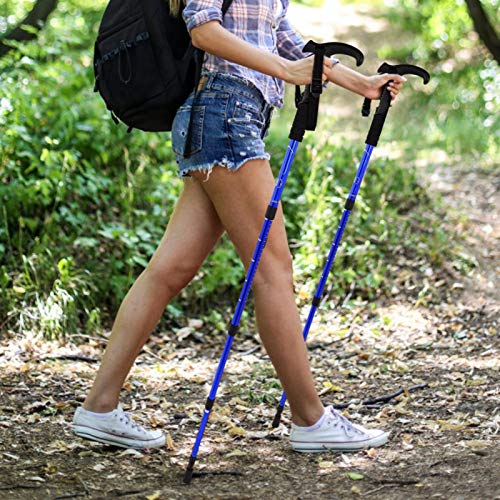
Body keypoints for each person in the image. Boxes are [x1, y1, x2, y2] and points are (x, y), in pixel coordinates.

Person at [72, 0, 405, 452]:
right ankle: (311, 419)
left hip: (223, 119)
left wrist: (361, 83)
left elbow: (290, 45)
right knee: (272, 271)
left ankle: (98, 407)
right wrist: (286, 73)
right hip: (224, 115)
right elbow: (203, 31)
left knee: (170, 270)